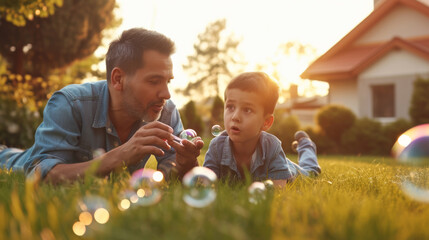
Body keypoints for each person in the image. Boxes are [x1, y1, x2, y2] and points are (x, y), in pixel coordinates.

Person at [0, 28, 202, 183]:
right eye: (153, 81)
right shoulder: (70, 103)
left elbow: (171, 171)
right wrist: (121, 155)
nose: (166, 93)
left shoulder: (164, 111)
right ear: (118, 79)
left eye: (168, 81)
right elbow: (41, 174)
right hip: (9, 163)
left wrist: (184, 163)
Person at [203, 72, 321, 186]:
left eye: (247, 110)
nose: (235, 117)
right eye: (230, 107)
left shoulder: (272, 147)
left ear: (266, 122)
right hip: (276, 162)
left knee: (310, 172)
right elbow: (205, 183)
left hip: (287, 169)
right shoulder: (216, 147)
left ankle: (306, 145)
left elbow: (278, 189)